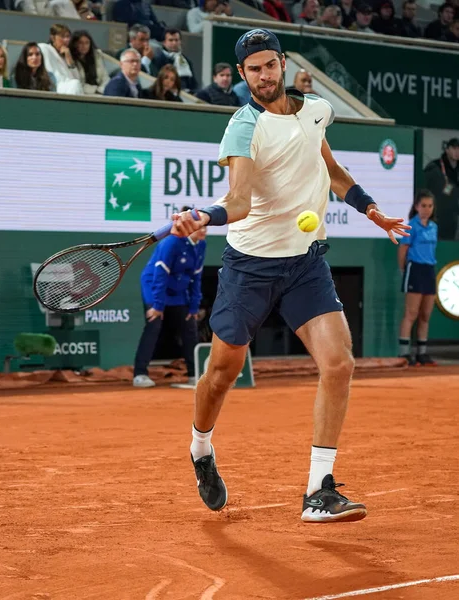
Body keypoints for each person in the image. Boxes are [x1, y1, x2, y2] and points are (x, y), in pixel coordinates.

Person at [168, 29, 410, 522]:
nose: (263, 75)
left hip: (304, 262)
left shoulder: (316, 110)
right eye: (252, 68)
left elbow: (333, 171)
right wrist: (205, 216)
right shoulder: (243, 127)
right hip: (249, 267)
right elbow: (238, 201)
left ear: (283, 64)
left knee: (339, 360)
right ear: (242, 74)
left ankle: (319, 490)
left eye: (270, 65)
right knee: (221, 374)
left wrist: (373, 211)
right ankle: (200, 448)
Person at [133, 214, 207, 388]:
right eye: (200, 227)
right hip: (155, 287)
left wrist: (194, 306)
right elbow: (160, 276)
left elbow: (196, 277)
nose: (204, 230)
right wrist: (158, 305)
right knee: (154, 324)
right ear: (189, 228)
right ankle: (140, 374)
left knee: (189, 325)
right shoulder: (170, 243)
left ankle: (194, 375)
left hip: (177, 290)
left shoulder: (201, 245)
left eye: (205, 227)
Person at [398, 191, 438, 366]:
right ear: (416, 207)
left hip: (429, 270)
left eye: (430, 206)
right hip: (415, 270)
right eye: (423, 206)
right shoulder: (411, 226)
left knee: (425, 315)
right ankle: (404, 354)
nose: (427, 209)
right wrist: (404, 270)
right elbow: (402, 251)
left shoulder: (434, 227)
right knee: (411, 314)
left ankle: (422, 353)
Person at [423, 138, 459, 240]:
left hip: (453, 220)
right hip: (435, 218)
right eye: (454, 148)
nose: (457, 152)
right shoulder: (434, 168)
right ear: (447, 150)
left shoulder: (457, 171)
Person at [38, 24, 83, 95]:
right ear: (53, 38)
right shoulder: (44, 48)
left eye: (68, 36)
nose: (66, 40)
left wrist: (69, 59)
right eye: (62, 36)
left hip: (71, 89)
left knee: (75, 83)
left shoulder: (66, 55)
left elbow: (78, 80)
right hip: (55, 89)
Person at [69, 30, 109, 95]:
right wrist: (95, 90)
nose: (84, 46)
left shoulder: (97, 55)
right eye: (80, 43)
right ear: (74, 44)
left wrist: (101, 90)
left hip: (100, 92)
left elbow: (105, 78)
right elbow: (77, 83)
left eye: (87, 43)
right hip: (82, 94)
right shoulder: (71, 59)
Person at [162, 28, 197, 94]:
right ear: (164, 42)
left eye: (176, 40)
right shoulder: (159, 58)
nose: (174, 43)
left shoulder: (186, 60)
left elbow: (193, 83)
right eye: (171, 40)